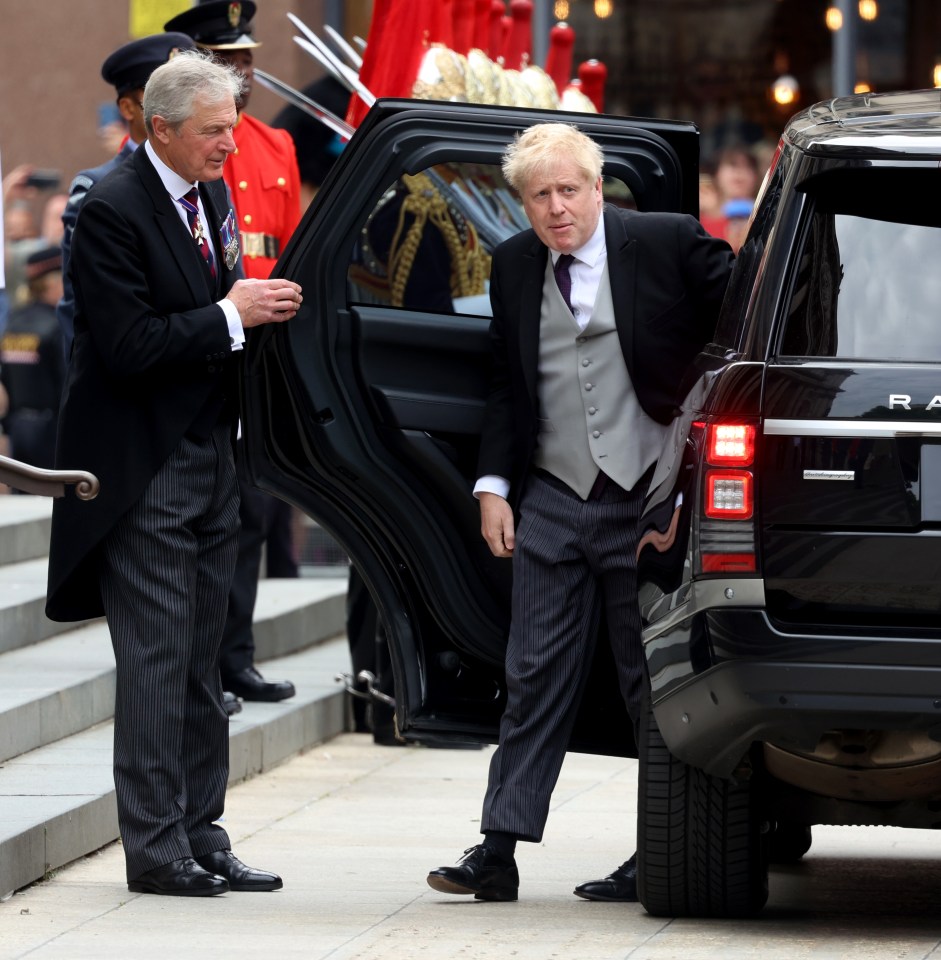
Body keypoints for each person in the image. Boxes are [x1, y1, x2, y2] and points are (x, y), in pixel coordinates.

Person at [426, 123, 734, 903]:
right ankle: (496, 850)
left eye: (569, 190)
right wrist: (492, 486)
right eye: (539, 195)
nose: (556, 207)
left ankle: (654, 851)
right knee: (530, 673)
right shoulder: (512, 265)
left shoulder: (664, 242)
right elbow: (507, 382)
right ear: (522, 204)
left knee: (648, 681)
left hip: (648, 497)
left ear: (599, 189)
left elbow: (750, 318)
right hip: (554, 496)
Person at [44, 50, 303, 897]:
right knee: (157, 664)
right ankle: (157, 850)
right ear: (158, 128)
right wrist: (231, 313)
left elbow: (209, 312)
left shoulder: (212, 193)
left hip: (212, 457)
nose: (232, 144)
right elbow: (126, 347)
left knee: (203, 665)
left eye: (232, 126)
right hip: (142, 467)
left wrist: (247, 318)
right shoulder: (112, 207)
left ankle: (205, 834)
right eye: (215, 132)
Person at [165, 0, 302, 706]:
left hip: (261, 346)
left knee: (249, 511)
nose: (242, 71)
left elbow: (290, 243)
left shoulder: (275, 145)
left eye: (246, 60)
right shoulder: (185, 146)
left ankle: (235, 654)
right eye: (227, 60)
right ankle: (199, 663)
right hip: (204, 335)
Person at [57, 32, 197, 354]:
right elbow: (77, 304)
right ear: (128, 107)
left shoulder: (208, 181)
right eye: (161, 95)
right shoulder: (97, 188)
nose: (179, 106)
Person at [0, 245, 65, 470]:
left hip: (17, 428)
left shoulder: (12, 323)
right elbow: (65, 382)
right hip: (52, 430)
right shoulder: (58, 325)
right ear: (52, 283)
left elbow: (5, 380)